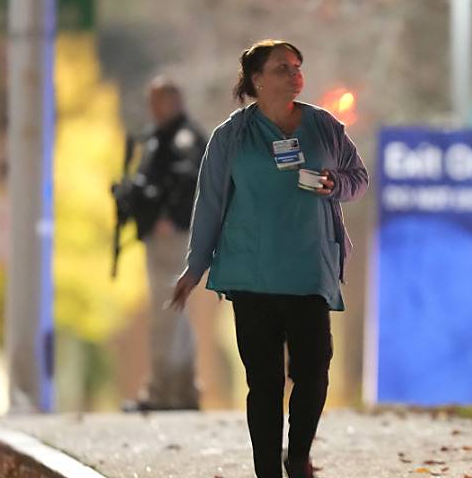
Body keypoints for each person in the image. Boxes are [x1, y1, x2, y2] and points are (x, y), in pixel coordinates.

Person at [168, 39, 368, 478]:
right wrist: (195, 267)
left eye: (298, 66)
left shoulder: (324, 126)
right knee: (264, 382)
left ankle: (297, 458)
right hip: (251, 274)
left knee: (314, 372)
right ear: (257, 80)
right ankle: (266, 471)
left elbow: (359, 178)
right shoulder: (231, 136)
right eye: (282, 68)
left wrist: (336, 183)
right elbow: (210, 204)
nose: (295, 74)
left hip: (309, 270)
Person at [119, 76, 206, 412]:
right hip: (163, 236)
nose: (152, 109)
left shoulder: (183, 138)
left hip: (173, 237)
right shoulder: (160, 137)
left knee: (166, 314)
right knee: (175, 316)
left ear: (174, 101)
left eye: (158, 101)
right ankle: (182, 391)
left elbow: (192, 181)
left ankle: (162, 392)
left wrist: (171, 218)